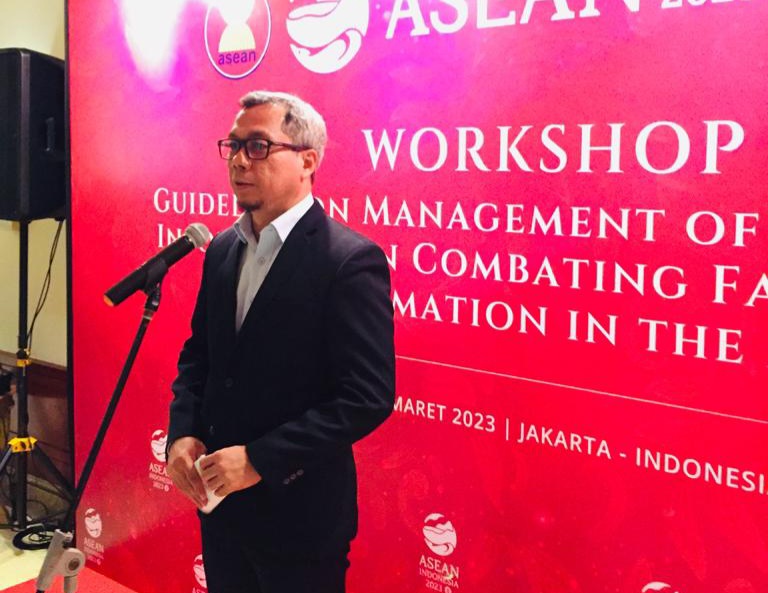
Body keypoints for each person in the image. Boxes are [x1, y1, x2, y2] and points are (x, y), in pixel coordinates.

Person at [166, 90, 395, 593]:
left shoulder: (348, 260)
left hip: (300, 516)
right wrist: (182, 431)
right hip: (222, 509)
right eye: (233, 146)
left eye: (258, 146)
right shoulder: (223, 249)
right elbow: (199, 356)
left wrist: (259, 459)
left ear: (307, 161)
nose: (239, 161)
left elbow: (366, 397)